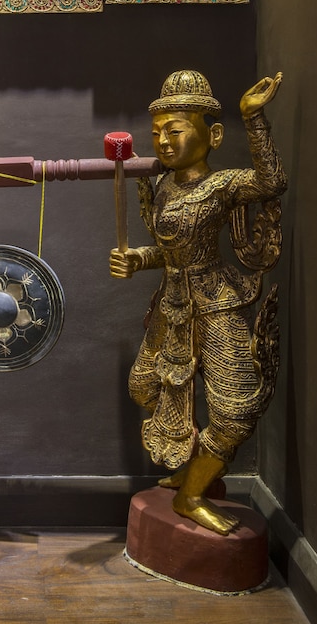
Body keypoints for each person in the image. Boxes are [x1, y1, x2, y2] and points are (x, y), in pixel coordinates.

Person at [109, 70, 287, 535]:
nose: (164, 142)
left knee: (235, 411)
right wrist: (137, 258)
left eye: (175, 130)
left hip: (216, 302)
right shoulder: (165, 186)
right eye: (157, 134)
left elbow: (271, 182)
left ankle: (190, 496)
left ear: (214, 135)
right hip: (173, 304)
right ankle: (192, 468)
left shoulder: (223, 185)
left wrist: (253, 118)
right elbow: (168, 253)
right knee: (144, 387)